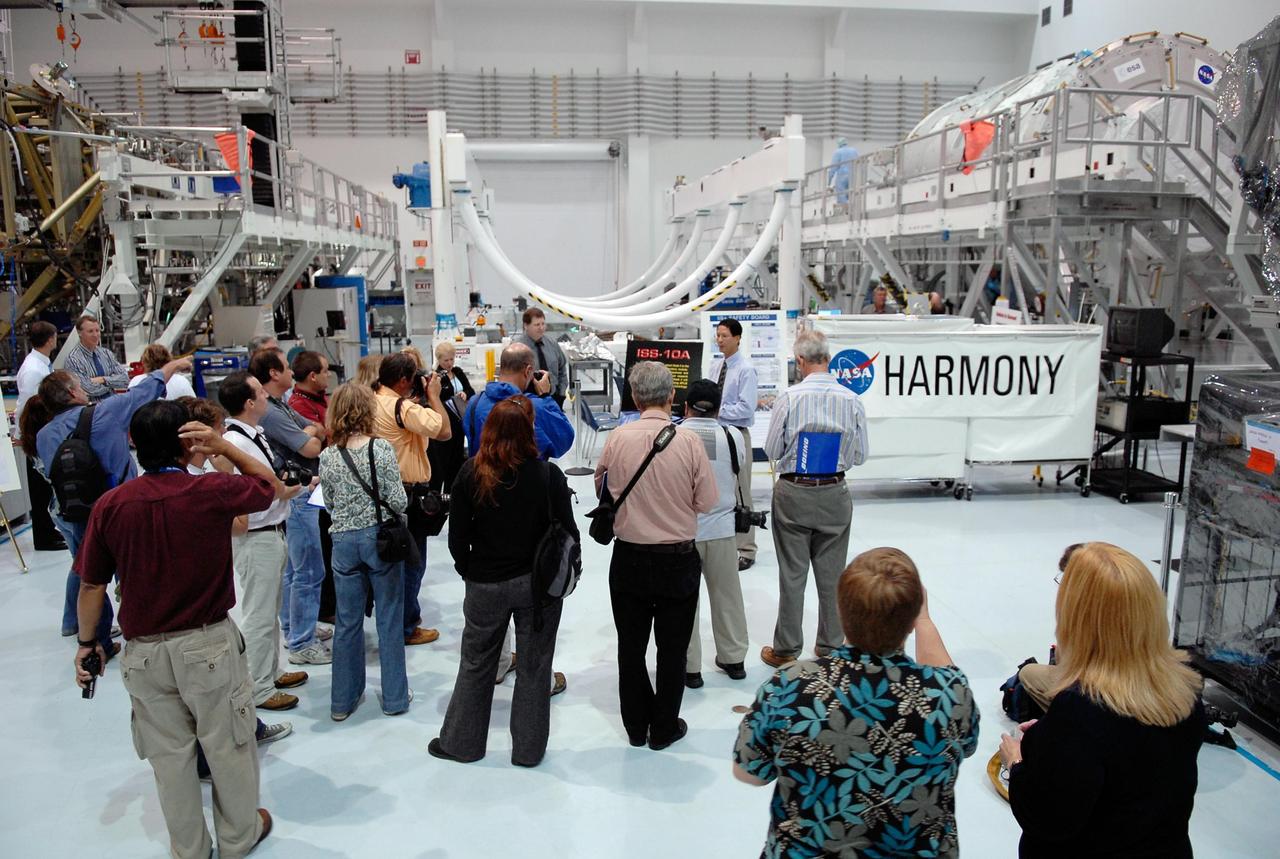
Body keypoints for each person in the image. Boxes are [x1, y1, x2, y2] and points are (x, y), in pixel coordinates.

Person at [72, 400, 289, 858]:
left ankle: (189, 848)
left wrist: (88, 643)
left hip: (144, 652)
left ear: (133, 443)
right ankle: (238, 836)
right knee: (228, 746)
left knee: (169, 760)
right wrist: (219, 448)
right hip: (208, 643)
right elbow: (267, 486)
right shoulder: (210, 492)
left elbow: (92, 584)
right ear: (188, 443)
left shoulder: (111, 506)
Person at [734, 547, 980, 858]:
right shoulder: (949, 695)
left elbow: (749, 773)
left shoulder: (790, 686)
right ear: (913, 615)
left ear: (840, 610)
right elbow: (960, 720)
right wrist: (924, 619)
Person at [1000, 542, 1206, 859]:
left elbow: (1047, 819)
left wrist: (1017, 762)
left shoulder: (1079, 711)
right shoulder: (1185, 690)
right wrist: (1049, 736)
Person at [431, 397, 578, 767]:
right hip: (537, 587)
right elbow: (569, 534)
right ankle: (528, 751)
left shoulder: (470, 472)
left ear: (487, 430)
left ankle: (462, 744)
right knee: (534, 666)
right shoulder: (548, 476)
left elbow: (456, 536)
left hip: (485, 584)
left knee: (476, 662)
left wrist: (470, 571)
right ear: (530, 431)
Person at [23, 356, 190, 651]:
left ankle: (98, 639)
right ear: (73, 393)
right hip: (120, 508)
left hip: (75, 513)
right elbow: (144, 392)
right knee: (133, 571)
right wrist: (172, 366)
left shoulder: (45, 435)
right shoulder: (106, 413)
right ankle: (142, 628)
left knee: (90, 575)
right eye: (79, 385)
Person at [594, 361, 716, 750]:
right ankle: (664, 727)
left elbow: (603, 489)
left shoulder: (617, 438)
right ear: (671, 397)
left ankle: (635, 726)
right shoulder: (689, 442)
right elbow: (707, 501)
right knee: (672, 647)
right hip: (677, 560)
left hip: (628, 558)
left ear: (633, 396)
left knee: (630, 646)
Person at [761, 330, 868, 668]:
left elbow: (772, 450)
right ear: (829, 359)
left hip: (794, 492)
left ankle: (786, 648)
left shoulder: (789, 398)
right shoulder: (851, 399)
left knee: (793, 573)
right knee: (833, 573)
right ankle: (831, 645)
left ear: (802, 362)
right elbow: (860, 455)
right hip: (835, 492)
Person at [217, 372, 310, 711]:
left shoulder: (251, 435)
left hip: (271, 531)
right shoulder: (238, 443)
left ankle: (270, 671)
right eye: (259, 393)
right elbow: (266, 488)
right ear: (248, 402)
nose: (266, 398)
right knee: (258, 614)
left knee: (269, 610)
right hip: (257, 536)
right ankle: (258, 688)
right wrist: (289, 489)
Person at [319, 383, 412, 721]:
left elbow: (328, 503)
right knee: (388, 618)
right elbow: (398, 500)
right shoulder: (380, 449)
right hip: (379, 540)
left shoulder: (327, 455)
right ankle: (395, 699)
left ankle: (342, 702)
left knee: (347, 623)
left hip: (342, 542)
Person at [250, 348, 329, 666]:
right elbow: (312, 442)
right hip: (299, 494)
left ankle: (295, 627)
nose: (290, 372)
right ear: (273, 373)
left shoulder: (279, 406)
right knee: (308, 570)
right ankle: (301, 642)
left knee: (296, 570)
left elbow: (316, 430)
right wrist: (308, 434)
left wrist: (308, 432)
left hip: (299, 490)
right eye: (284, 367)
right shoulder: (270, 412)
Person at [370, 352, 450, 646]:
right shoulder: (402, 408)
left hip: (379, 492)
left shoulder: (371, 401)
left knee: (391, 561)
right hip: (407, 493)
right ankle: (406, 627)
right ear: (404, 380)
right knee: (413, 562)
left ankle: (396, 622)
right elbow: (444, 430)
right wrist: (434, 396)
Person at [680, 379, 749, 688]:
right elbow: (739, 470)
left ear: (685, 406)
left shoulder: (675, 435)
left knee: (684, 602)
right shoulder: (733, 436)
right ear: (720, 408)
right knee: (728, 596)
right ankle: (734, 659)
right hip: (723, 529)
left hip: (684, 532)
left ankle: (690, 667)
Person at [464, 342, 574, 461]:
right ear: (528, 371)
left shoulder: (474, 403)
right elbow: (564, 441)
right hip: (528, 479)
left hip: (484, 476)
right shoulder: (534, 407)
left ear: (500, 368)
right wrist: (545, 397)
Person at [710, 318, 760, 571]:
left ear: (738, 338)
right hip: (715, 433)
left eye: (724, 336)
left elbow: (746, 408)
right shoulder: (716, 365)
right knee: (714, 487)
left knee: (742, 491)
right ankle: (722, 541)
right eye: (717, 335)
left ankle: (747, 548)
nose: (719, 340)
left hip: (737, 434)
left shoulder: (745, 370)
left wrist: (717, 409)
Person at [14, 320, 65, 551]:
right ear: (51, 339)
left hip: (41, 432)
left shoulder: (40, 364)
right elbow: (27, 404)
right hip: (36, 434)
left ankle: (48, 530)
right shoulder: (34, 369)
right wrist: (23, 434)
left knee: (46, 486)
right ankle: (43, 537)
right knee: (40, 487)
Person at [427, 340, 475, 493]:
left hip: (460, 420)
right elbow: (435, 398)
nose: (449, 363)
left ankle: (455, 489)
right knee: (444, 458)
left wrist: (464, 393)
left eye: (451, 359)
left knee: (458, 456)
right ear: (439, 360)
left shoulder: (458, 372)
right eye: (446, 360)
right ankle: (442, 492)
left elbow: (470, 389)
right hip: (447, 421)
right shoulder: (436, 377)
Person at [64, 315, 130, 401]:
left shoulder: (106, 353)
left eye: (97, 330)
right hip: (92, 409)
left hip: (113, 403)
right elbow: (88, 389)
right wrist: (112, 383)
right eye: (90, 331)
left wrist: (102, 379)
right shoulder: (73, 360)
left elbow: (125, 379)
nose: (95, 335)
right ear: (79, 333)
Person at [512, 307, 568, 407]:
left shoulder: (552, 344)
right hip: (528, 402)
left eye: (543, 324)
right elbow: (512, 377)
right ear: (526, 326)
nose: (541, 328)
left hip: (554, 399)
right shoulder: (516, 348)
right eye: (537, 325)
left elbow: (562, 369)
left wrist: (561, 394)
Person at [128, 344, 197, 400]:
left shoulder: (136, 381)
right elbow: (193, 406)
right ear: (169, 359)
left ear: (144, 362)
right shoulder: (181, 381)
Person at [287, 350, 330, 426]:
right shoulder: (299, 407)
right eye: (325, 371)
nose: (329, 374)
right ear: (313, 376)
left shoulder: (320, 396)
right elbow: (326, 435)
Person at [827, 136, 859, 205]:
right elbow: (858, 162)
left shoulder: (838, 152)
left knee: (841, 195)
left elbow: (832, 168)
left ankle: (844, 210)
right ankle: (852, 209)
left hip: (842, 176)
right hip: (853, 176)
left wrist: (829, 183)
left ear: (839, 144)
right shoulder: (854, 150)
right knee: (851, 194)